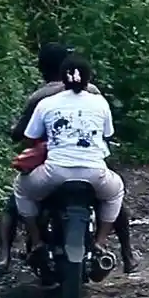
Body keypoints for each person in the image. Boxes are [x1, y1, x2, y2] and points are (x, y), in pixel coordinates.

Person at [0, 43, 137, 274]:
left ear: (43, 69)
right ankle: (125, 254)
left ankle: (7, 256)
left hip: (53, 169)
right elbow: (107, 134)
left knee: (16, 198)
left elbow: (25, 134)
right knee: (115, 198)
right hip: (92, 167)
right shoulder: (96, 95)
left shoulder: (41, 98)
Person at [14, 53, 126, 260]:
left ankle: (37, 241)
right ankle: (100, 243)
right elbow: (108, 134)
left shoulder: (45, 103)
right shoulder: (100, 103)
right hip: (95, 173)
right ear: (88, 78)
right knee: (115, 192)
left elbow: (30, 137)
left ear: (61, 78)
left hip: (54, 173)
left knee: (21, 189)